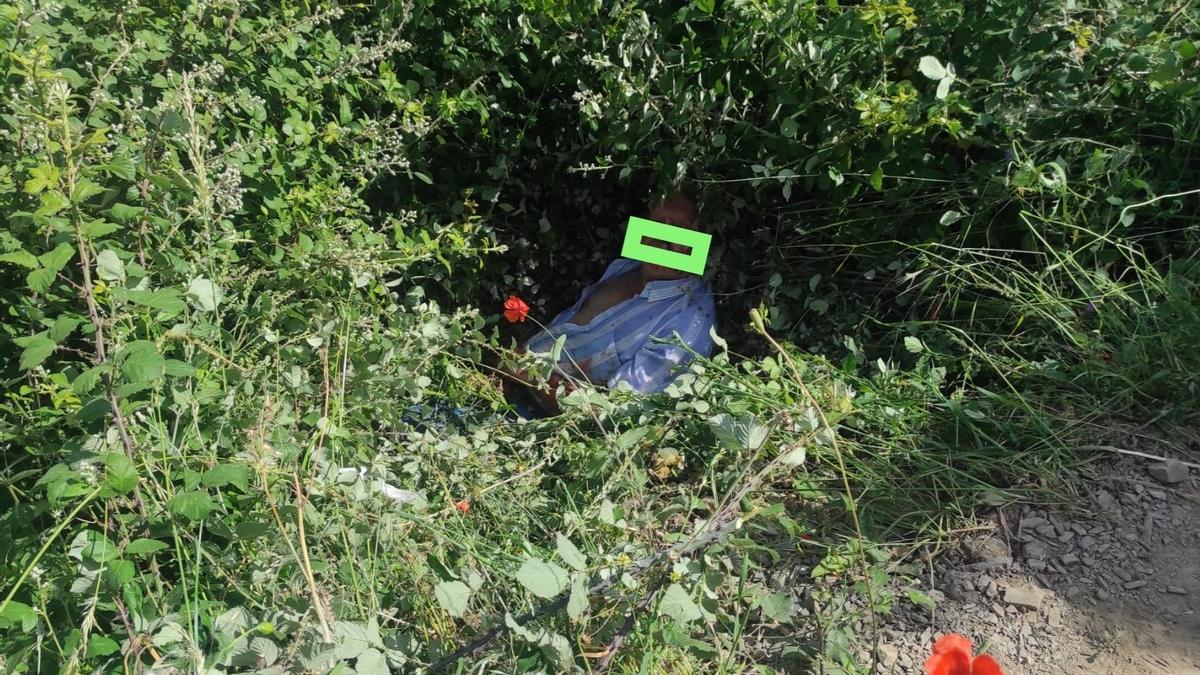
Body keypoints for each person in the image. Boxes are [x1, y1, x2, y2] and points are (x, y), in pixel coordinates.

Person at [501, 194, 717, 417]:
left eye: (679, 230)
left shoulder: (687, 324)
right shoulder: (625, 267)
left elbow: (613, 413)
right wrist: (509, 363)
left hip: (542, 426)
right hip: (506, 380)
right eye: (658, 225)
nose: (663, 239)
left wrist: (532, 377)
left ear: (700, 242)